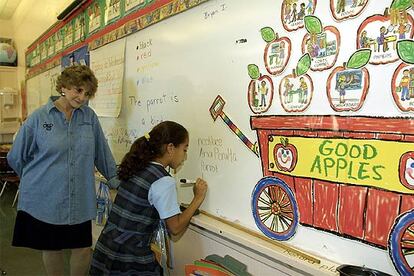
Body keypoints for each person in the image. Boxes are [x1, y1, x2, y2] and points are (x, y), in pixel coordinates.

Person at [7, 65, 119, 276]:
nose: (82, 97)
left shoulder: (89, 118)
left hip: (80, 199)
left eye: (87, 93)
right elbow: (16, 156)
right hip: (47, 199)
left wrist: (115, 181)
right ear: (64, 86)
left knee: (83, 248)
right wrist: (37, 180)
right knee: (52, 248)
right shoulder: (39, 118)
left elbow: (101, 153)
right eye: (78, 90)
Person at [90, 121, 208, 275]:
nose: (185, 157)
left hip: (107, 247)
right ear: (170, 148)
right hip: (128, 257)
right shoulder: (163, 181)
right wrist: (197, 199)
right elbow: (175, 228)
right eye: (184, 149)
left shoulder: (137, 165)